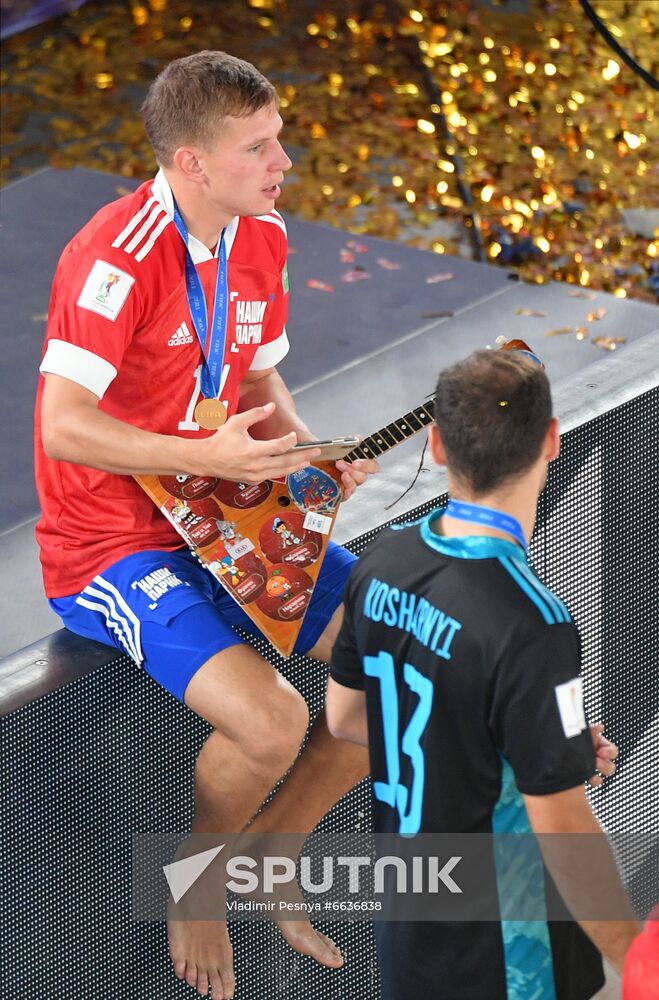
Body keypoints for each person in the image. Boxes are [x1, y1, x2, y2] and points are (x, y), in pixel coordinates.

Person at [34, 50, 379, 999]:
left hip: (223, 507)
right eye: (258, 146)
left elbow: (255, 376)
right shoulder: (117, 255)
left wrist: (303, 453)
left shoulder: (257, 233)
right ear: (191, 163)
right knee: (272, 723)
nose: (284, 162)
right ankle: (197, 886)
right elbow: (61, 422)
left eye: (278, 138)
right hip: (113, 542)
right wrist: (209, 460)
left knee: (391, 662)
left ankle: (271, 857)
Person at [326, 349, 639, 1000]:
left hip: (409, 936)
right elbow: (562, 829)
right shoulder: (533, 623)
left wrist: (532, 747)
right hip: (508, 957)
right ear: (550, 439)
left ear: (436, 444)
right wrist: (634, 961)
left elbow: (349, 718)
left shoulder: (381, 562)